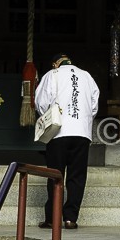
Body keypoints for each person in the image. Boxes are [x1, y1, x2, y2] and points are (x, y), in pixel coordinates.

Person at [33, 53, 100, 230]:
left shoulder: (51, 75)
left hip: (58, 131)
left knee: (55, 174)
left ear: (55, 63)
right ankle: (70, 218)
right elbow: (94, 106)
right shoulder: (86, 76)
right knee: (77, 176)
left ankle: (52, 218)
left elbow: (41, 102)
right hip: (82, 132)